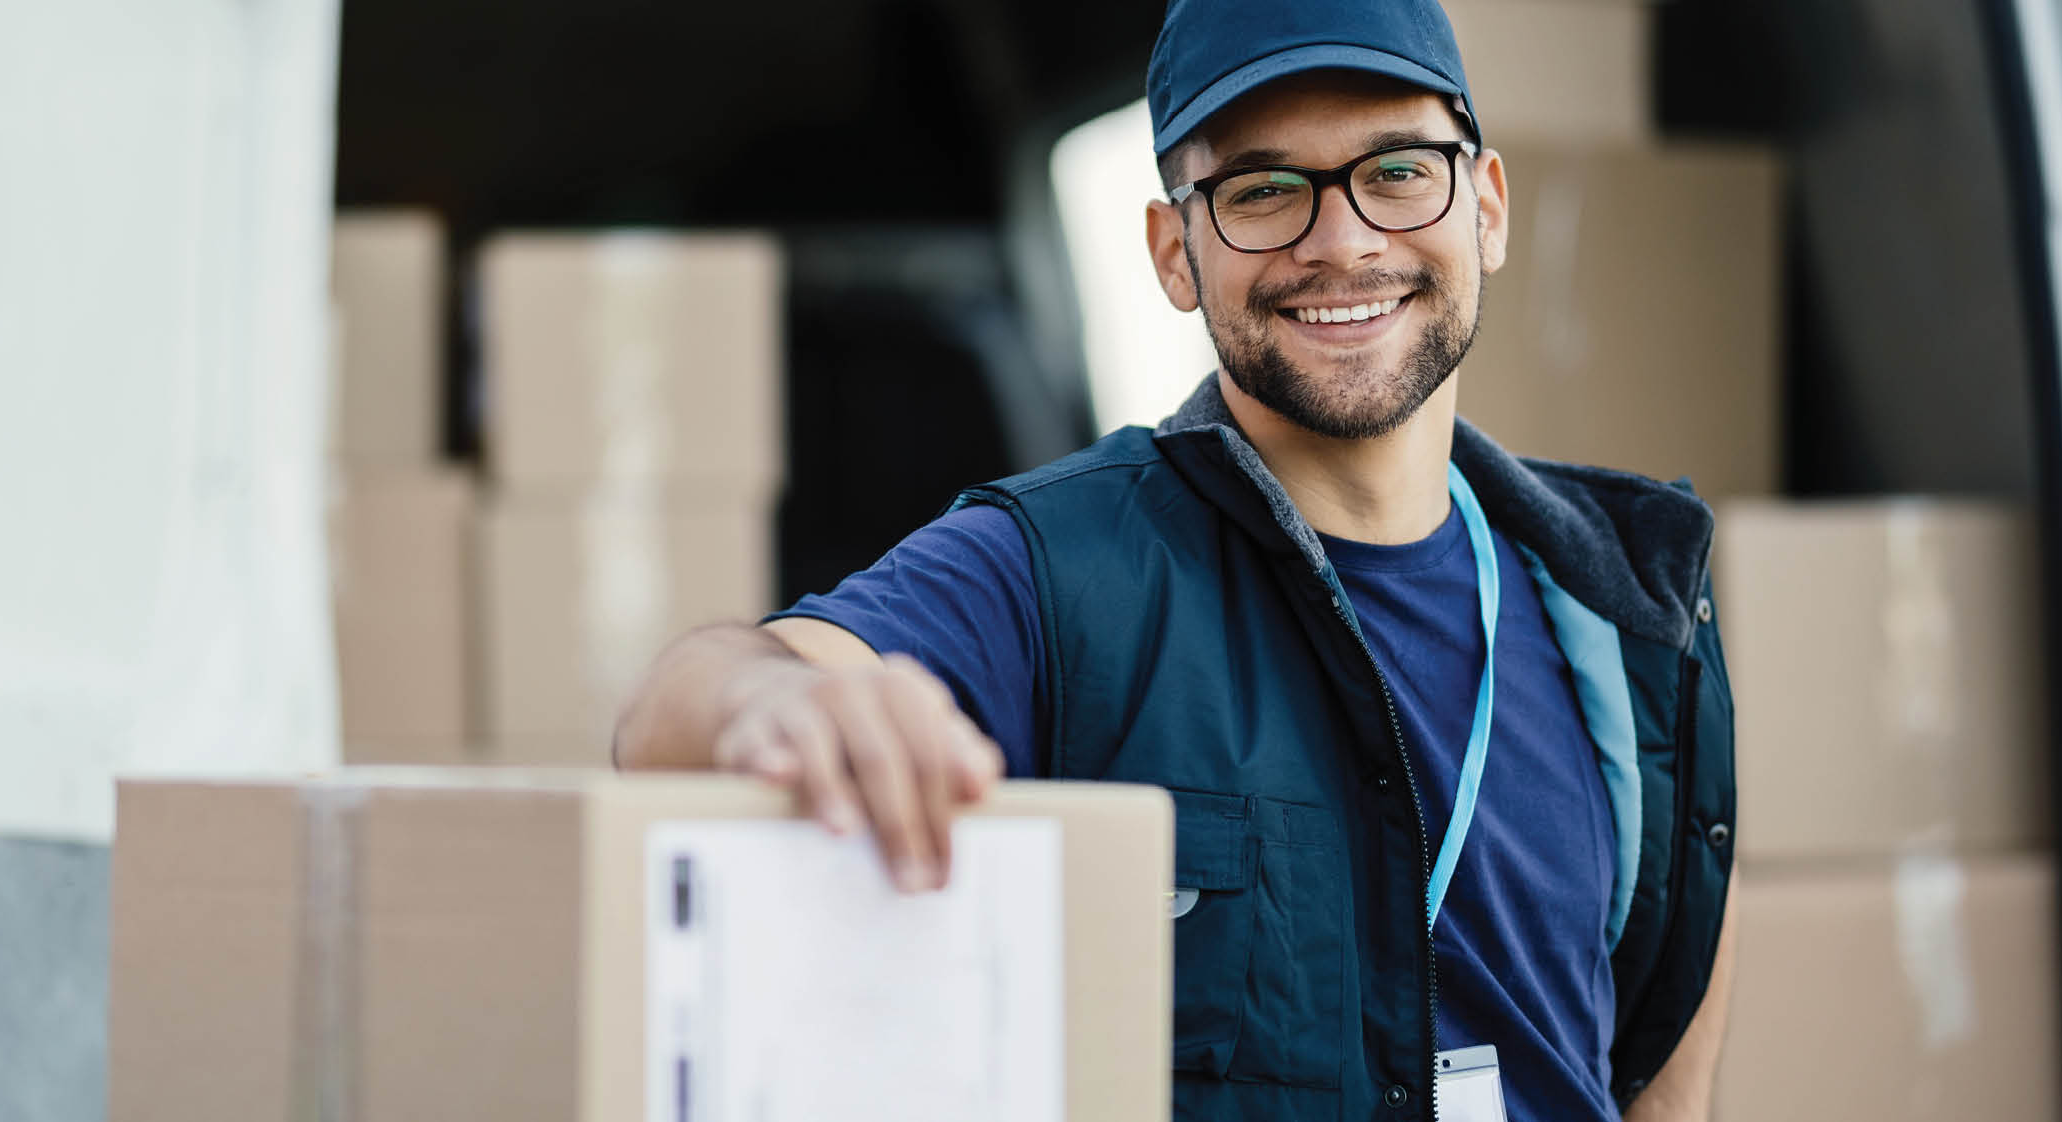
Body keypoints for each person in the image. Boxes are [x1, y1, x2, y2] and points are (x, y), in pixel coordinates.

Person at [615, 0, 1737, 1117]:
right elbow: (676, 716)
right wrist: (766, 707)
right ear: (1173, 252)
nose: (1340, 242)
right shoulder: (1058, 571)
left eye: (1397, 171)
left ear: (1483, 208)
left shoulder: (1629, 618)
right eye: (1261, 191)